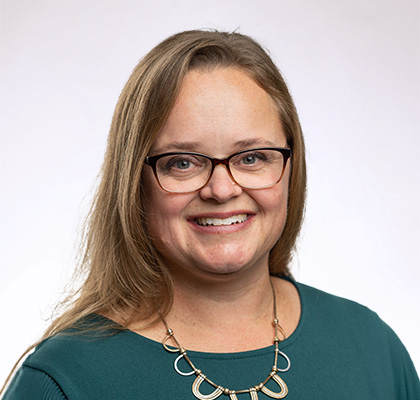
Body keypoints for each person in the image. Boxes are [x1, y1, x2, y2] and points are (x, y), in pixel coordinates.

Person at [1, 29, 418, 400]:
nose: (222, 189)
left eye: (253, 157)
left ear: (292, 167)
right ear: (134, 181)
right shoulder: (63, 380)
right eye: (182, 162)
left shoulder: (371, 347)